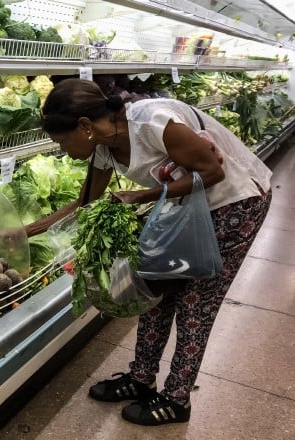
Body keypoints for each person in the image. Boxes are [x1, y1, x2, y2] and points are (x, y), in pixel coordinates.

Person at [29, 78, 272, 426]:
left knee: (195, 303)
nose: (62, 150)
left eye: (62, 141)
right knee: (156, 291)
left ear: (83, 127)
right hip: (184, 207)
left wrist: (143, 195)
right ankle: (141, 378)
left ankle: (176, 400)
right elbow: (86, 202)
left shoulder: (152, 122)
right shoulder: (102, 145)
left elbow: (213, 171)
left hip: (234, 204)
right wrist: (25, 233)